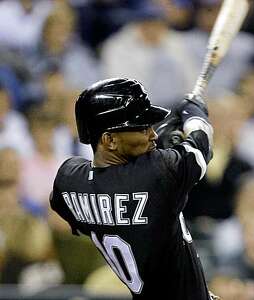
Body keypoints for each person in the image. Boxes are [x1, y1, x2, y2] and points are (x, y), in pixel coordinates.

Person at [49, 77, 219, 300]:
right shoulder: (156, 174)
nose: (153, 135)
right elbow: (200, 148)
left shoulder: (69, 179)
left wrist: (166, 132)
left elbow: (67, 202)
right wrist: (193, 114)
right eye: (142, 128)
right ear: (109, 140)